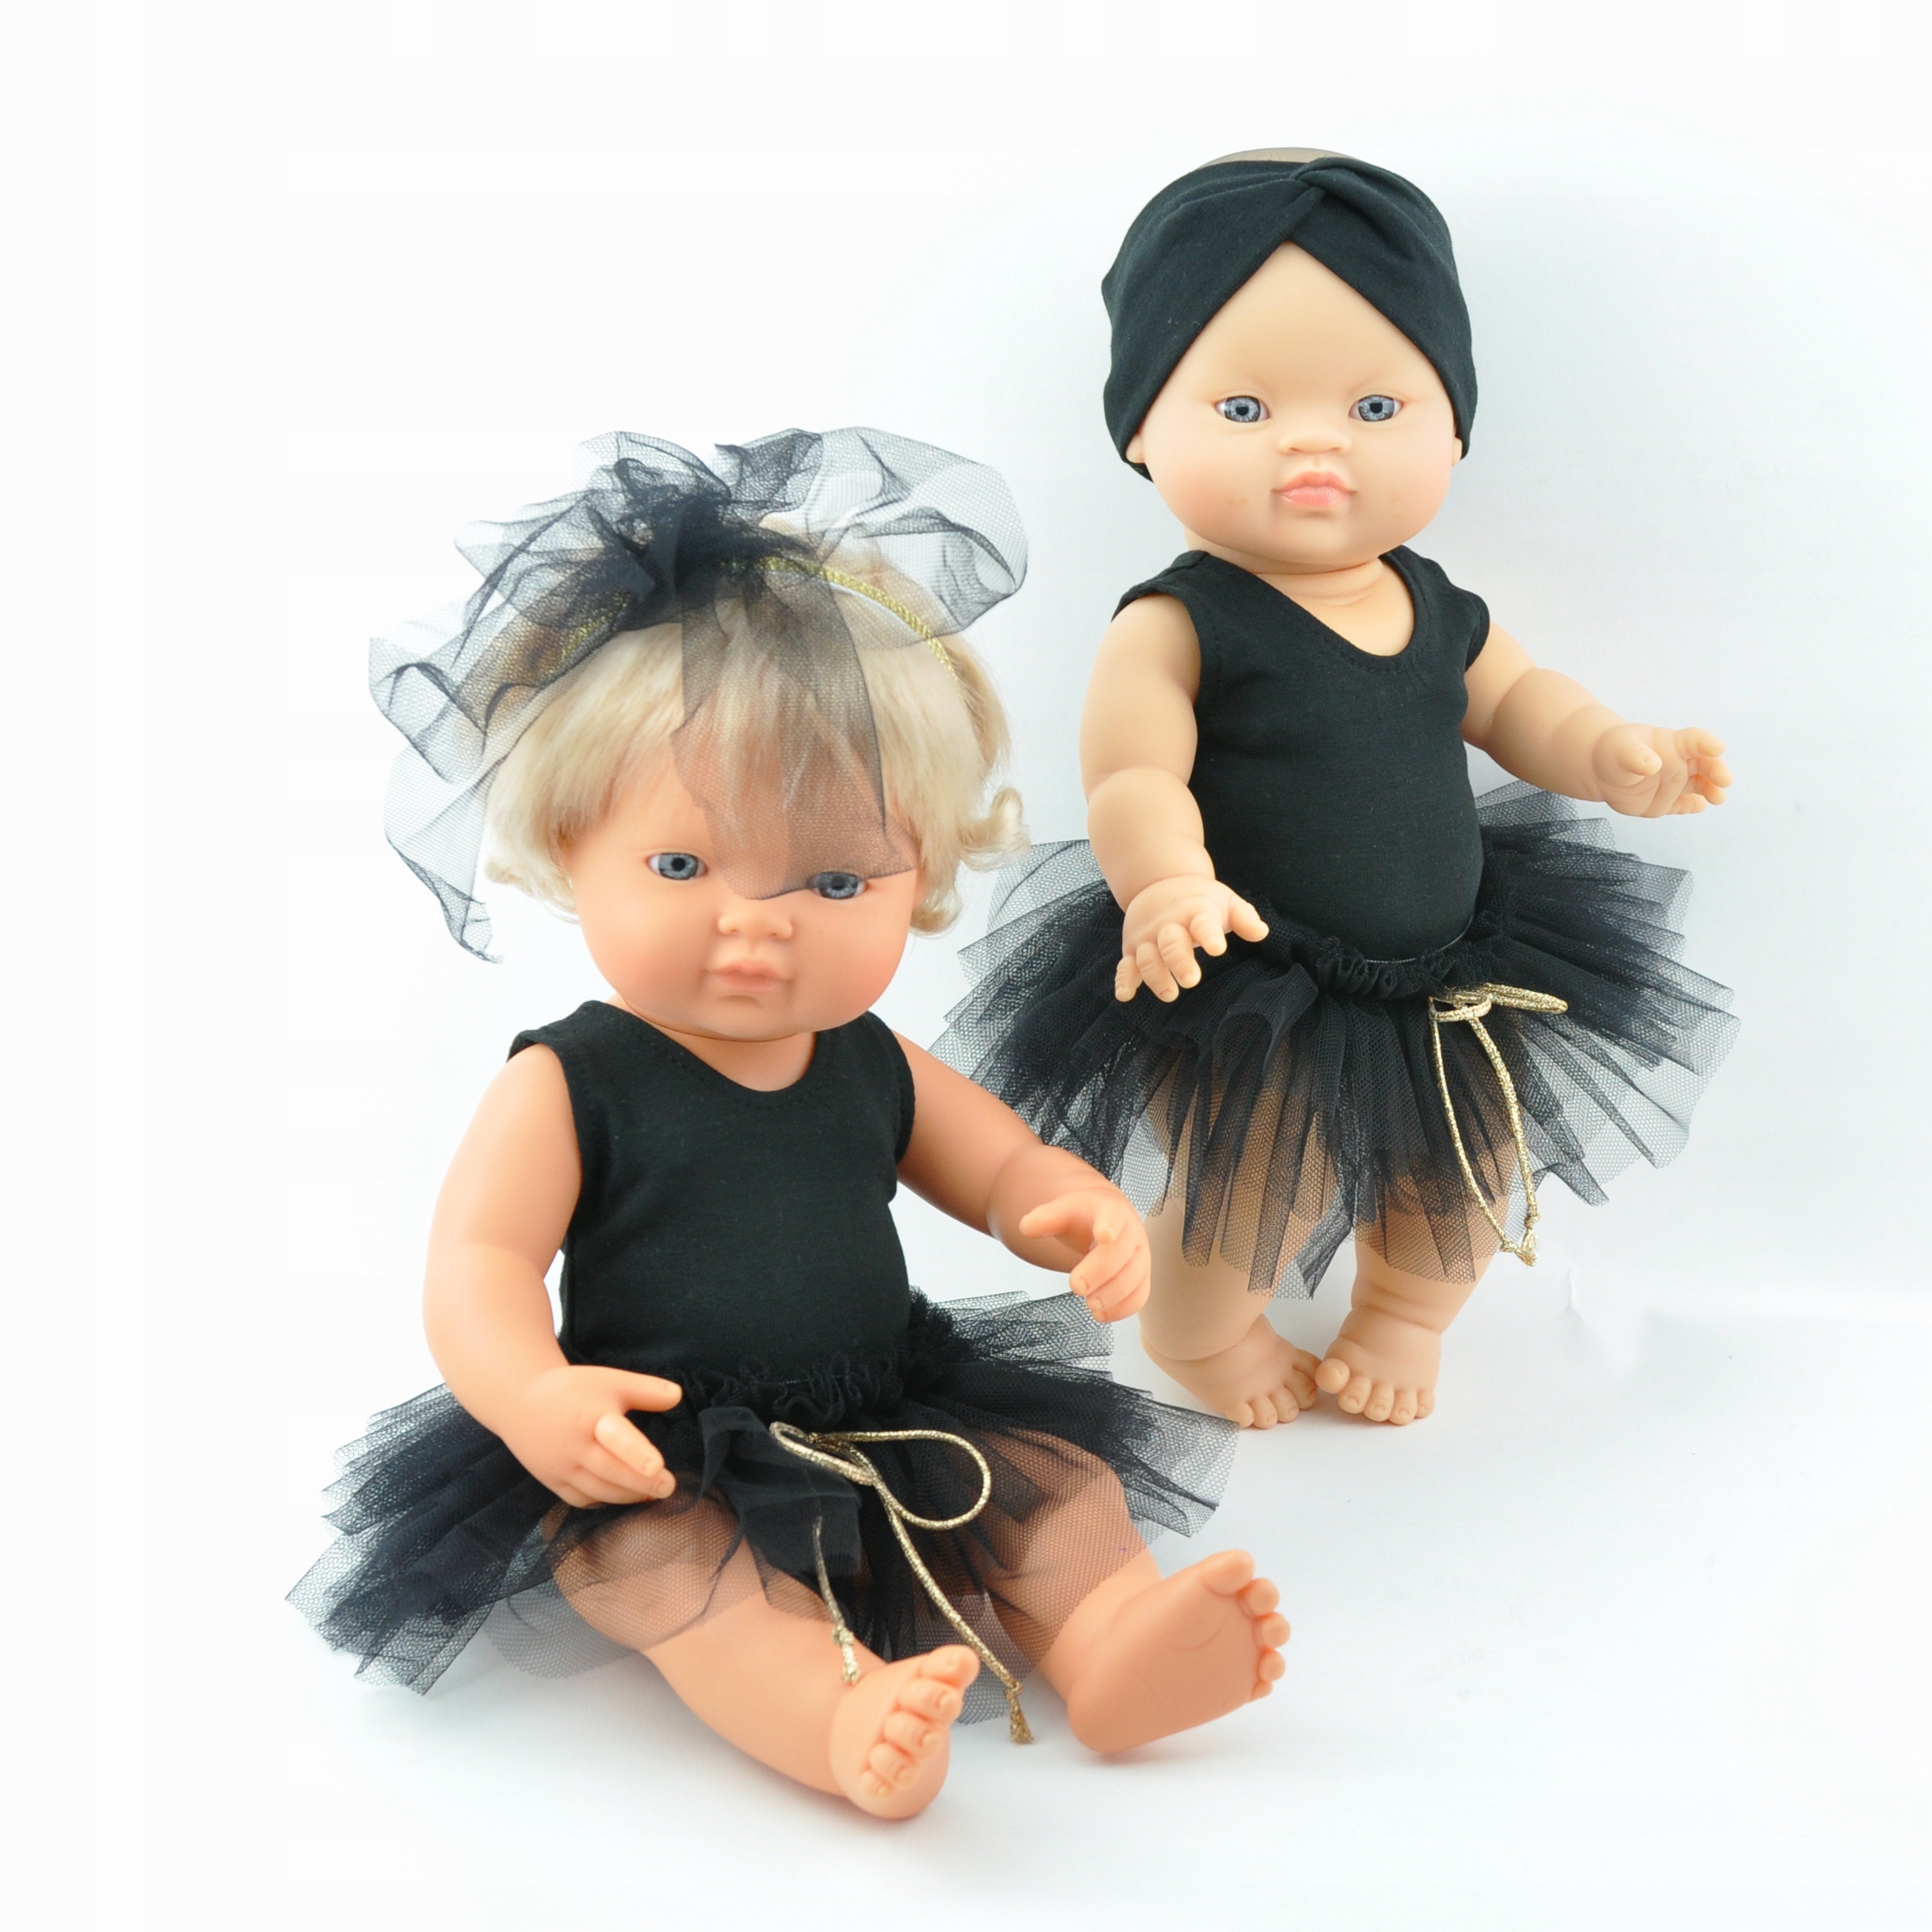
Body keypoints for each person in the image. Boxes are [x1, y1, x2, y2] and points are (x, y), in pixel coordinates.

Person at [292, 428, 1286, 1821]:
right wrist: (529, 1392)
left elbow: (995, 1159)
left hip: (888, 1402)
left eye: (831, 880)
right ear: (572, 844)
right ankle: (833, 1714)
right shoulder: (569, 1082)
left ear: (917, 874)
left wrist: (1061, 1203)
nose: (754, 926)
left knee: (1054, 1482)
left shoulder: (868, 1058)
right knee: (666, 1573)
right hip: (667, 1444)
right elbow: (479, 1263)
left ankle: (1111, 1640)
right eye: (682, 863)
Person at [936, 152, 1738, 1432]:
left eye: (1374, 406)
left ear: (1450, 430)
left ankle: (1404, 1313)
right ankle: (1199, 1331)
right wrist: (1165, 879)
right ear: (1141, 430)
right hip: (1259, 978)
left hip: (1450, 966)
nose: (1313, 441)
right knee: (1252, 1184)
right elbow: (1133, 771)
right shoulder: (1176, 623)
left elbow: (1520, 703)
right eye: (1242, 407)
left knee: (1462, 1173)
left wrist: (1607, 753)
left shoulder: (1435, 604)